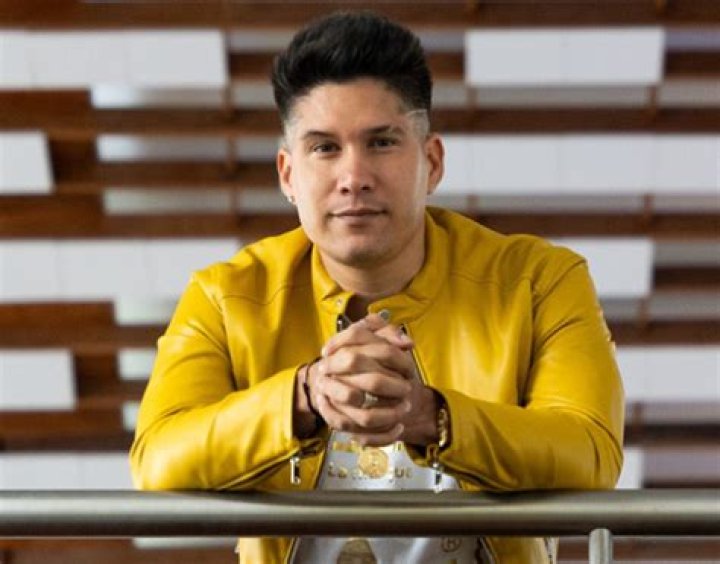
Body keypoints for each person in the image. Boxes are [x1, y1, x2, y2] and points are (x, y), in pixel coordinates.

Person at [130, 10, 624, 564]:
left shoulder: (539, 281)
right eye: (324, 148)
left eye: (382, 142)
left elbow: (591, 452)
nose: (354, 177)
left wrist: (432, 416)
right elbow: (156, 460)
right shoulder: (225, 295)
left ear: (431, 162)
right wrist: (305, 397)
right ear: (288, 175)